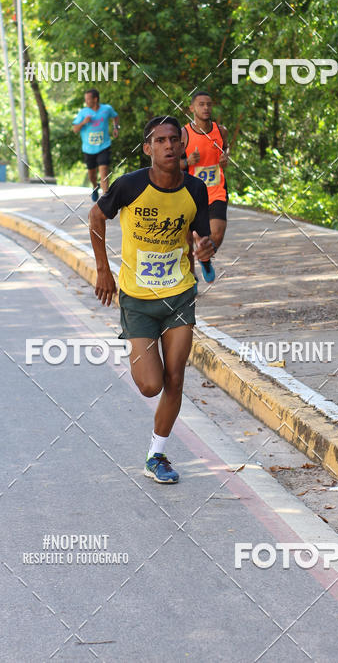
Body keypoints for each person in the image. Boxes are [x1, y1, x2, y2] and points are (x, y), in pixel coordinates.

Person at [88, 115, 215, 484]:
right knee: (151, 385)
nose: (169, 146)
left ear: (182, 144)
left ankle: (156, 456)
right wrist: (103, 270)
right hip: (138, 299)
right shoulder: (129, 186)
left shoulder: (195, 189)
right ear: (148, 148)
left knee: (175, 379)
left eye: (174, 139)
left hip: (179, 294)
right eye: (160, 140)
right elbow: (97, 215)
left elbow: (201, 241)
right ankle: (136, 348)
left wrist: (205, 250)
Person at [180, 91, 229, 284]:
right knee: (187, 240)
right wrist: (186, 161)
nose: (206, 108)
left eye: (209, 104)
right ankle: (191, 279)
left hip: (217, 189)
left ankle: (206, 259)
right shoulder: (183, 134)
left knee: (216, 234)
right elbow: (170, 163)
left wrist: (226, 157)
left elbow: (226, 147)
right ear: (192, 108)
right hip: (190, 194)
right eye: (201, 104)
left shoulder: (220, 130)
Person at [72, 89, 119, 202]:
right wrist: (83, 122)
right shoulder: (83, 112)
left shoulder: (106, 109)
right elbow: (75, 129)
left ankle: (105, 200)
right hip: (88, 149)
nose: (86, 101)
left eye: (88, 99)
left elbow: (115, 117)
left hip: (104, 146)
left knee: (104, 172)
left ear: (95, 99)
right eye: (85, 99)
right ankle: (94, 186)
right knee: (92, 176)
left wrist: (116, 127)